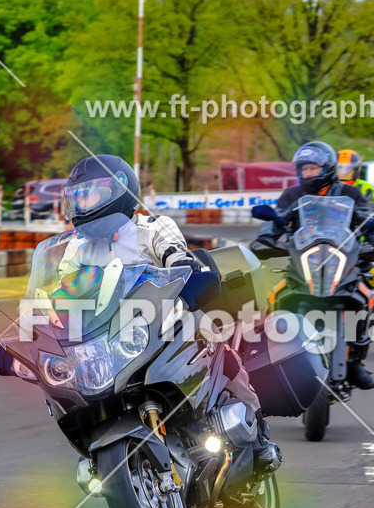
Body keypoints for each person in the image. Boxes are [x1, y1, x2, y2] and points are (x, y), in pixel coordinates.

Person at [58, 155, 282, 475]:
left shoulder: (152, 228)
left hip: (167, 322)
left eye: (92, 194)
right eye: (78, 197)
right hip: (112, 338)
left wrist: (187, 281)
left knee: (220, 352)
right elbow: (59, 294)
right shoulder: (75, 249)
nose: (83, 204)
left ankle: (258, 436)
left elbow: (180, 261)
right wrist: (35, 324)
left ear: (119, 190)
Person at [251, 141, 374, 390]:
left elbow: (368, 220)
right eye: (304, 169)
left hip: (341, 262)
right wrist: (265, 238)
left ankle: (355, 362)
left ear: (328, 167)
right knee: (274, 298)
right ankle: (277, 361)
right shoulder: (292, 195)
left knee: (366, 298)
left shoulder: (350, 193)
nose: (308, 173)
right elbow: (277, 219)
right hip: (302, 264)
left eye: (313, 168)